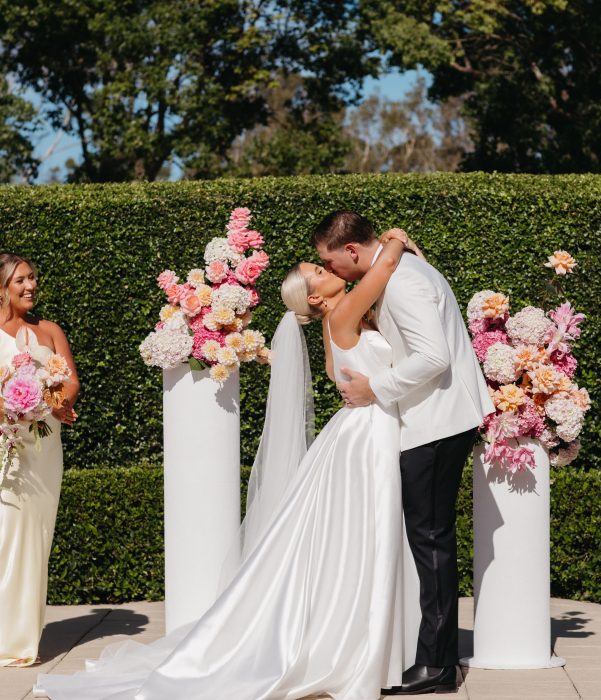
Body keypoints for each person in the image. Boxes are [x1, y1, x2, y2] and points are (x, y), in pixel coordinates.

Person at [35, 230, 422, 700]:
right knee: (370, 532)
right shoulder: (342, 313)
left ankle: (371, 641)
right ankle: (364, 648)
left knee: (361, 538)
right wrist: (398, 241)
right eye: (320, 271)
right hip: (368, 434)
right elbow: (380, 270)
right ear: (316, 297)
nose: (332, 269)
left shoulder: (339, 323)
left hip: (363, 427)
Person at [312, 211, 494, 695]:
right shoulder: (400, 271)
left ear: (352, 251)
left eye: (330, 261)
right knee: (428, 537)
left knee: (430, 538)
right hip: (434, 420)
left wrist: (377, 389)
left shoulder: (402, 280)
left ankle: (436, 665)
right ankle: (435, 654)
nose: (332, 271)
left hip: (435, 423)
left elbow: (433, 356)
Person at [0, 253, 79, 668]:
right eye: (20, 281)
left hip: (45, 449)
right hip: (7, 448)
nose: (30, 285)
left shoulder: (48, 331)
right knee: (5, 535)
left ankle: (20, 638)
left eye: (33, 278)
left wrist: (55, 404)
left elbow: (69, 381)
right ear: (1, 289)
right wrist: (11, 408)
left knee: (34, 540)